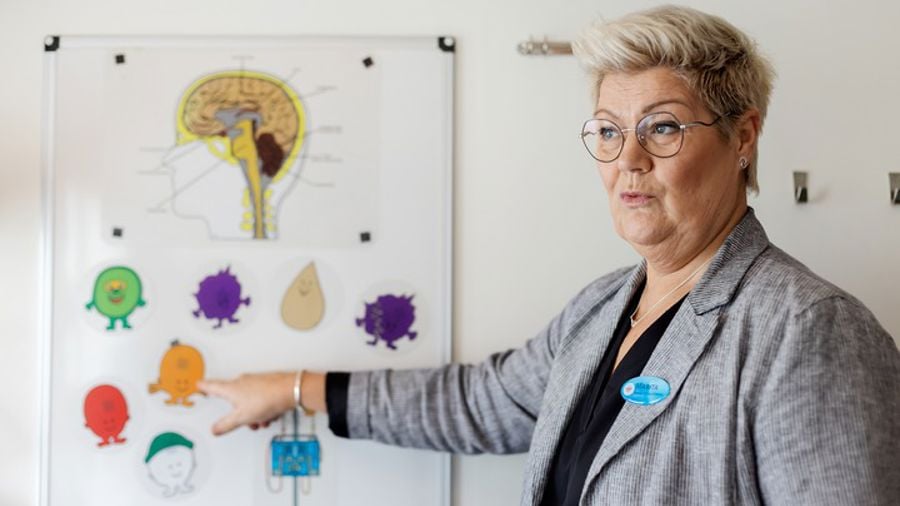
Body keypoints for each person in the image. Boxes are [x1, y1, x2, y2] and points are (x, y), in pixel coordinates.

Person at [198, 5, 900, 504]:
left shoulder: (809, 330)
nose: (627, 160)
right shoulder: (602, 307)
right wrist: (295, 388)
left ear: (742, 137)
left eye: (662, 128)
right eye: (608, 131)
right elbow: (481, 402)